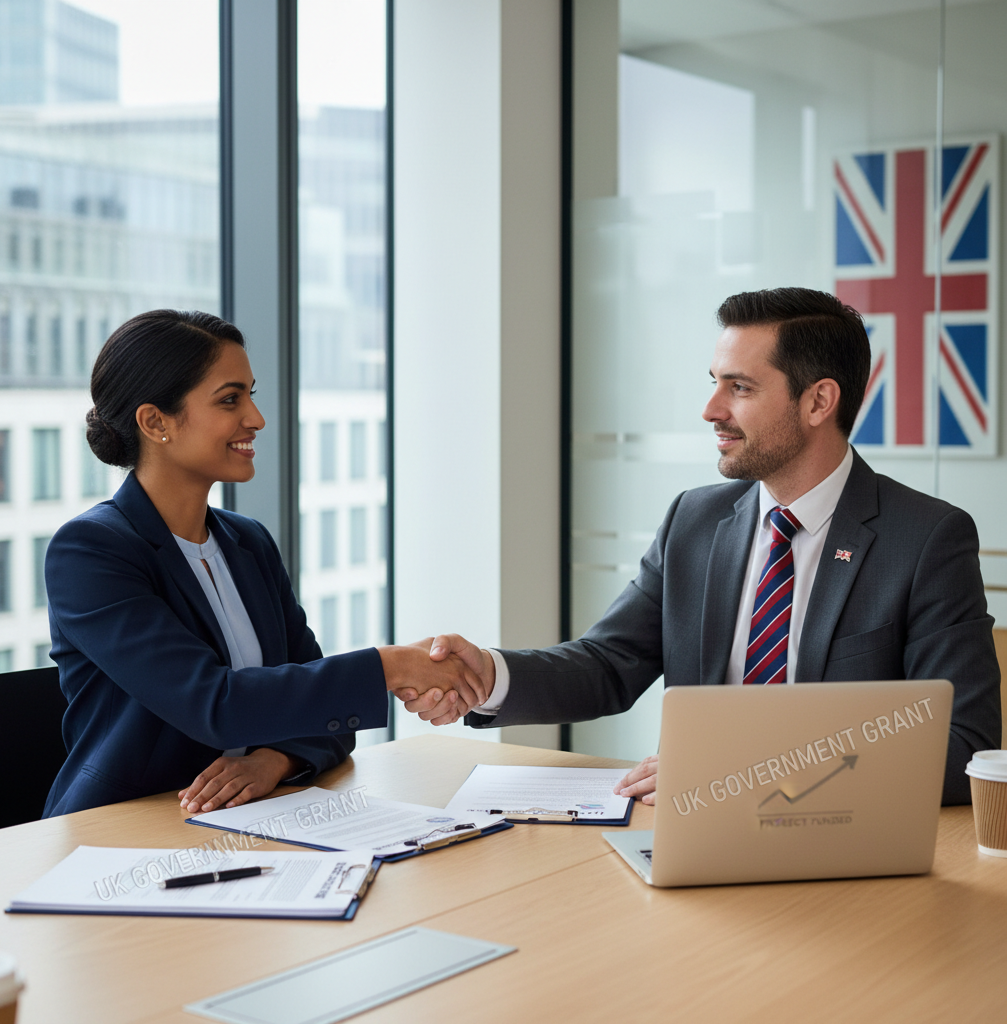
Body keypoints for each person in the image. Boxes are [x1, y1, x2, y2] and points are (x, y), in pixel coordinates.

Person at [397, 287, 1001, 805]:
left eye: (739, 388)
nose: (711, 410)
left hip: (834, 840)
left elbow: (964, 748)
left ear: (819, 401)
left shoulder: (925, 539)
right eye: (715, 384)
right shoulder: (695, 519)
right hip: (687, 831)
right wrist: (490, 675)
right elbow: (609, 664)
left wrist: (747, 769)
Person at [43, 309, 481, 818]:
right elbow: (214, 704)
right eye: (231, 399)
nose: (256, 418)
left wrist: (273, 761)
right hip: (129, 827)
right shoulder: (91, 551)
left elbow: (319, 709)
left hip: (256, 818)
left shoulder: (247, 542)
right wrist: (389, 665)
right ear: (154, 422)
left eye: (251, 394)